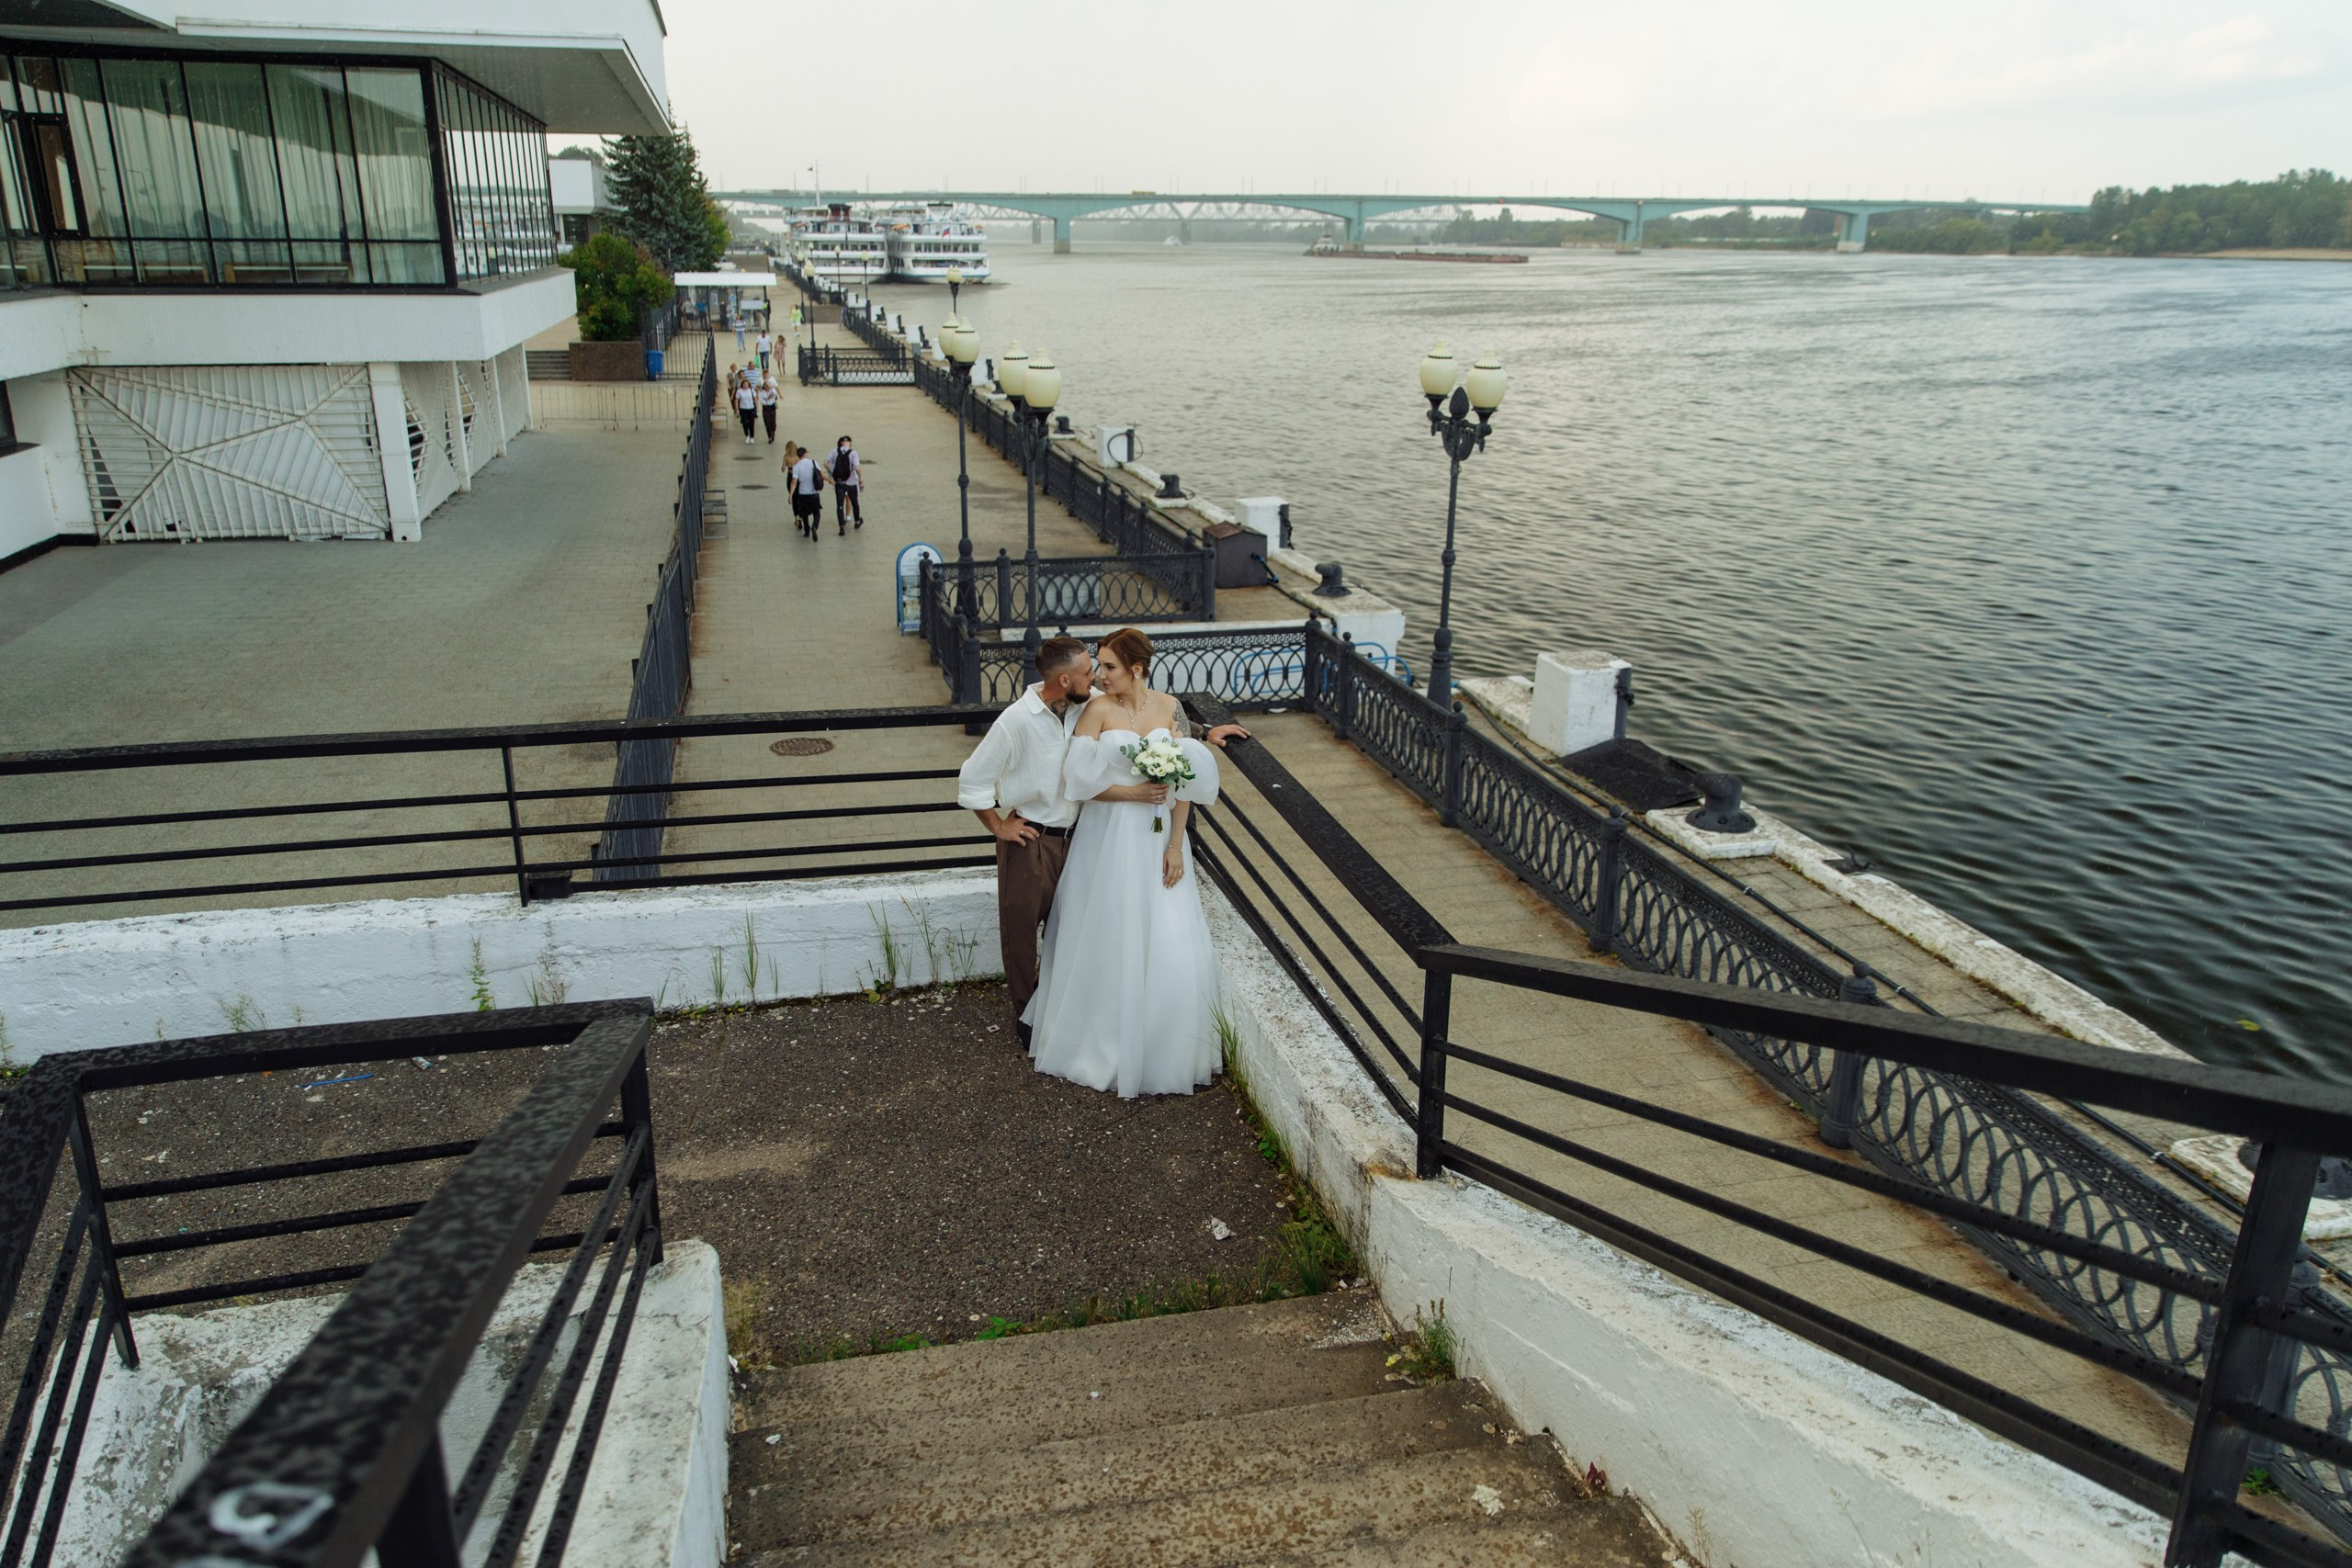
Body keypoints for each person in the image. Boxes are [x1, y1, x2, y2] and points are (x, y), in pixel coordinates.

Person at [956, 632, 1249, 1063]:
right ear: (1062, 680)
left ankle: (1134, 1019)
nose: (1097, 676)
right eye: (1091, 670)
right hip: (1035, 835)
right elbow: (976, 781)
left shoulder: (1088, 699)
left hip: (1080, 836)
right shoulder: (1023, 720)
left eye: (1104, 668)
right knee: (1024, 933)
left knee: (1094, 926)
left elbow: (1170, 736)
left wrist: (1206, 733)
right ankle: (1032, 1019)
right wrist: (999, 825)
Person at [786, 443, 826, 537]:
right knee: (817, 514)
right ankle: (814, 527)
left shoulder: (796, 467)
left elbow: (794, 482)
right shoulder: (813, 462)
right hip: (813, 493)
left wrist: (790, 495)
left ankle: (807, 531)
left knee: (804, 514)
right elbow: (821, 475)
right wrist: (830, 480)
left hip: (802, 494)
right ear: (805, 454)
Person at [830, 435, 864, 533]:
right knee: (855, 502)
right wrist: (860, 479)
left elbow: (825, 463)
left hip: (839, 483)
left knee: (839, 505)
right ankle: (857, 521)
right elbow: (857, 468)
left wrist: (832, 473)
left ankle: (841, 526)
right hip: (851, 482)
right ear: (850, 443)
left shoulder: (834, 452)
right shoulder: (853, 453)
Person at [733, 373, 758, 444]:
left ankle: (752, 437)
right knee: (744, 422)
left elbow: (755, 398)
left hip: (751, 408)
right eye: (744, 384)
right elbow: (736, 400)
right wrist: (737, 409)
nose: (745, 385)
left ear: (748, 384)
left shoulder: (751, 390)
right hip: (743, 409)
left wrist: (757, 407)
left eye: (746, 384)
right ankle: (747, 435)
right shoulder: (739, 391)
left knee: (751, 423)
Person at [757, 374, 778, 444]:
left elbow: (774, 394)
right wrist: (768, 399)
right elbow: (762, 401)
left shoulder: (772, 390)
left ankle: (773, 433)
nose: (767, 387)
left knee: (773, 423)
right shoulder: (762, 393)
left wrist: (771, 388)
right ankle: (770, 436)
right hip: (766, 408)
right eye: (766, 386)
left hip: (772, 408)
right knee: (767, 423)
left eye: (768, 385)